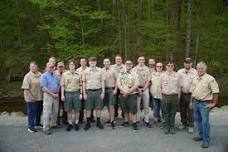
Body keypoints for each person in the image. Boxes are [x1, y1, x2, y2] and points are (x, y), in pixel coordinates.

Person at [189, 61, 219, 148]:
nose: (200, 70)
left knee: (205, 122)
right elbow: (192, 91)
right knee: (197, 120)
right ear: (196, 69)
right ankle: (201, 136)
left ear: (205, 69)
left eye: (202, 68)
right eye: (198, 68)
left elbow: (215, 91)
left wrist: (214, 103)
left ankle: (206, 140)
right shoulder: (195, 78)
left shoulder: (210, 79)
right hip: (195, 102)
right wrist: (191, 102)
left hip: (204, 103)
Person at [82, 57, 105, 130]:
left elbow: (102, 82)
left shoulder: (100, 70)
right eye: (91, 62)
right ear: (89, 62)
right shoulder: (85, 71)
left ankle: (98, 122)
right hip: (89, 92)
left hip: (98, 91)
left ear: (96, 62)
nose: (92, 63)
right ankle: (88, 123)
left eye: (94, 61)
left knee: (98, 108)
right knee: (88, 108)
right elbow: (84, 82)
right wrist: (84, 93)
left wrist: (103, 92)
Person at [117, 60, 139, 130]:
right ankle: (126, 121)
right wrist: (124, 91)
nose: (128, 65)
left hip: (132, 94)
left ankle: (134, 122)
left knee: (133, 109)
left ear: (132, 65)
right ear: (125, 65)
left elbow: (137, 84)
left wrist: (129, 91)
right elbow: (118, 83)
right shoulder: (121, 73)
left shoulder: (135, 73)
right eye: (127, 64)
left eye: (130, 64)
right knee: (125, 108)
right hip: (123, 93)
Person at [61, 59, 82, 131]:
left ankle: (76, 123)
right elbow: (62, 85)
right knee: (68, 110)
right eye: (70, 65)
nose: (72, 66)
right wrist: (62, 95)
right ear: (68, 66)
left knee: (77, 109)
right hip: (68, 93)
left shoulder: (79, 74)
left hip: (76, 93)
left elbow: (81, 85)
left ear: (75, 66)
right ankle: (70, 123)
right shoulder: (64, 74)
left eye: (73, 65)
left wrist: (81, 93)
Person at [21, 62, 43, 133]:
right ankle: (31, 127)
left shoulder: (40, 74)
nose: (34, 68)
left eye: (35, 66)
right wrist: (31, 97)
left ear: (37, 67)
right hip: (31, 98)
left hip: (40, 97)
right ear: (29, 67)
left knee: (39, 111)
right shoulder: (27, 76)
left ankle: (37, 123)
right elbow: (26, 89)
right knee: (32, 112)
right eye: (32, 66)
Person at [161, 61, 181, 134]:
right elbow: (159, 87)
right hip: (165, 96)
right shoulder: (162, 75)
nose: (170, 67)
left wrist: (179, 97)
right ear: (166, 66)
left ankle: (172, 127)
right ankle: (166, 126)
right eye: (168, 65)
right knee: (166, 113)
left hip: (174, 96)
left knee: (173, 113)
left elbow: (179, 87)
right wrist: (161, 96)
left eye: (171, 66)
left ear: (173, 66)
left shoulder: (177, 75)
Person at [177, 58, 197, 133]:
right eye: (186, 63)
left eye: (189, 63)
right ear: (184, 64)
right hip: (182, 93)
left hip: (191, 94)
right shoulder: (179, 71)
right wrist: (178, 93)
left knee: (191, 110)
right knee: (182, 109)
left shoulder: (195, 72)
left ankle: (191, 125)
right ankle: (183, 123)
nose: (187, 64)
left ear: (191, 64)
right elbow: (177, 83)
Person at [40, 62, 60, 135]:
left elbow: (58, 84)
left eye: (52, 67)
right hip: (48, 95)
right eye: (50, 67)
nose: (51, 68)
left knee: (55, 111)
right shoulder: (43, 76)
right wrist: (52, 94)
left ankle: (53, 124)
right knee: (47, 112)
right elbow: (43, 87)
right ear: (46, 67)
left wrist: (57, 92)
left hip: (55, 95)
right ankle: (46, 128)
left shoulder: (55, 75)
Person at [132, 56, 152, 128]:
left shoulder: (147, 69)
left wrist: (143, 89)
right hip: (136, 89)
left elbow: (148, 81)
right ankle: (137, 120)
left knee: (146, 105)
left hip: (145, 89)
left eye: (143, 59)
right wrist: (138, 89)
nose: (141, 61)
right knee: (137, 106)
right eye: (140, 59)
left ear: (144, 61)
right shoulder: (134, 69)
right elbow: (133, 81)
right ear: (138, 60)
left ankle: (147, 120)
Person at [77, 58, 95, 123]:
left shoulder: (89, 69)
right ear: (80, 62)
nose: (83, 62)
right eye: (82, 61)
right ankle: (80, 118)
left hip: (88, 88)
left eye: (84, 61)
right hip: (80, 88)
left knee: (90, 104)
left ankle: (91, 117)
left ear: (86, 62)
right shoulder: (77, 70)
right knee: (81, 104)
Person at [102, 58, 117, 129]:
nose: (106, 63)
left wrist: (116, 89)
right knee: (107, 105)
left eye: (107, 61)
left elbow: (117, 80)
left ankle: (112, 120)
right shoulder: (101, 70)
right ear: (103, 63)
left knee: (111, 105)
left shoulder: (113, 70)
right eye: (105, 62)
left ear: (110, 62)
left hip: (111, 89)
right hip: (105, 90)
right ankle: (110, 118)